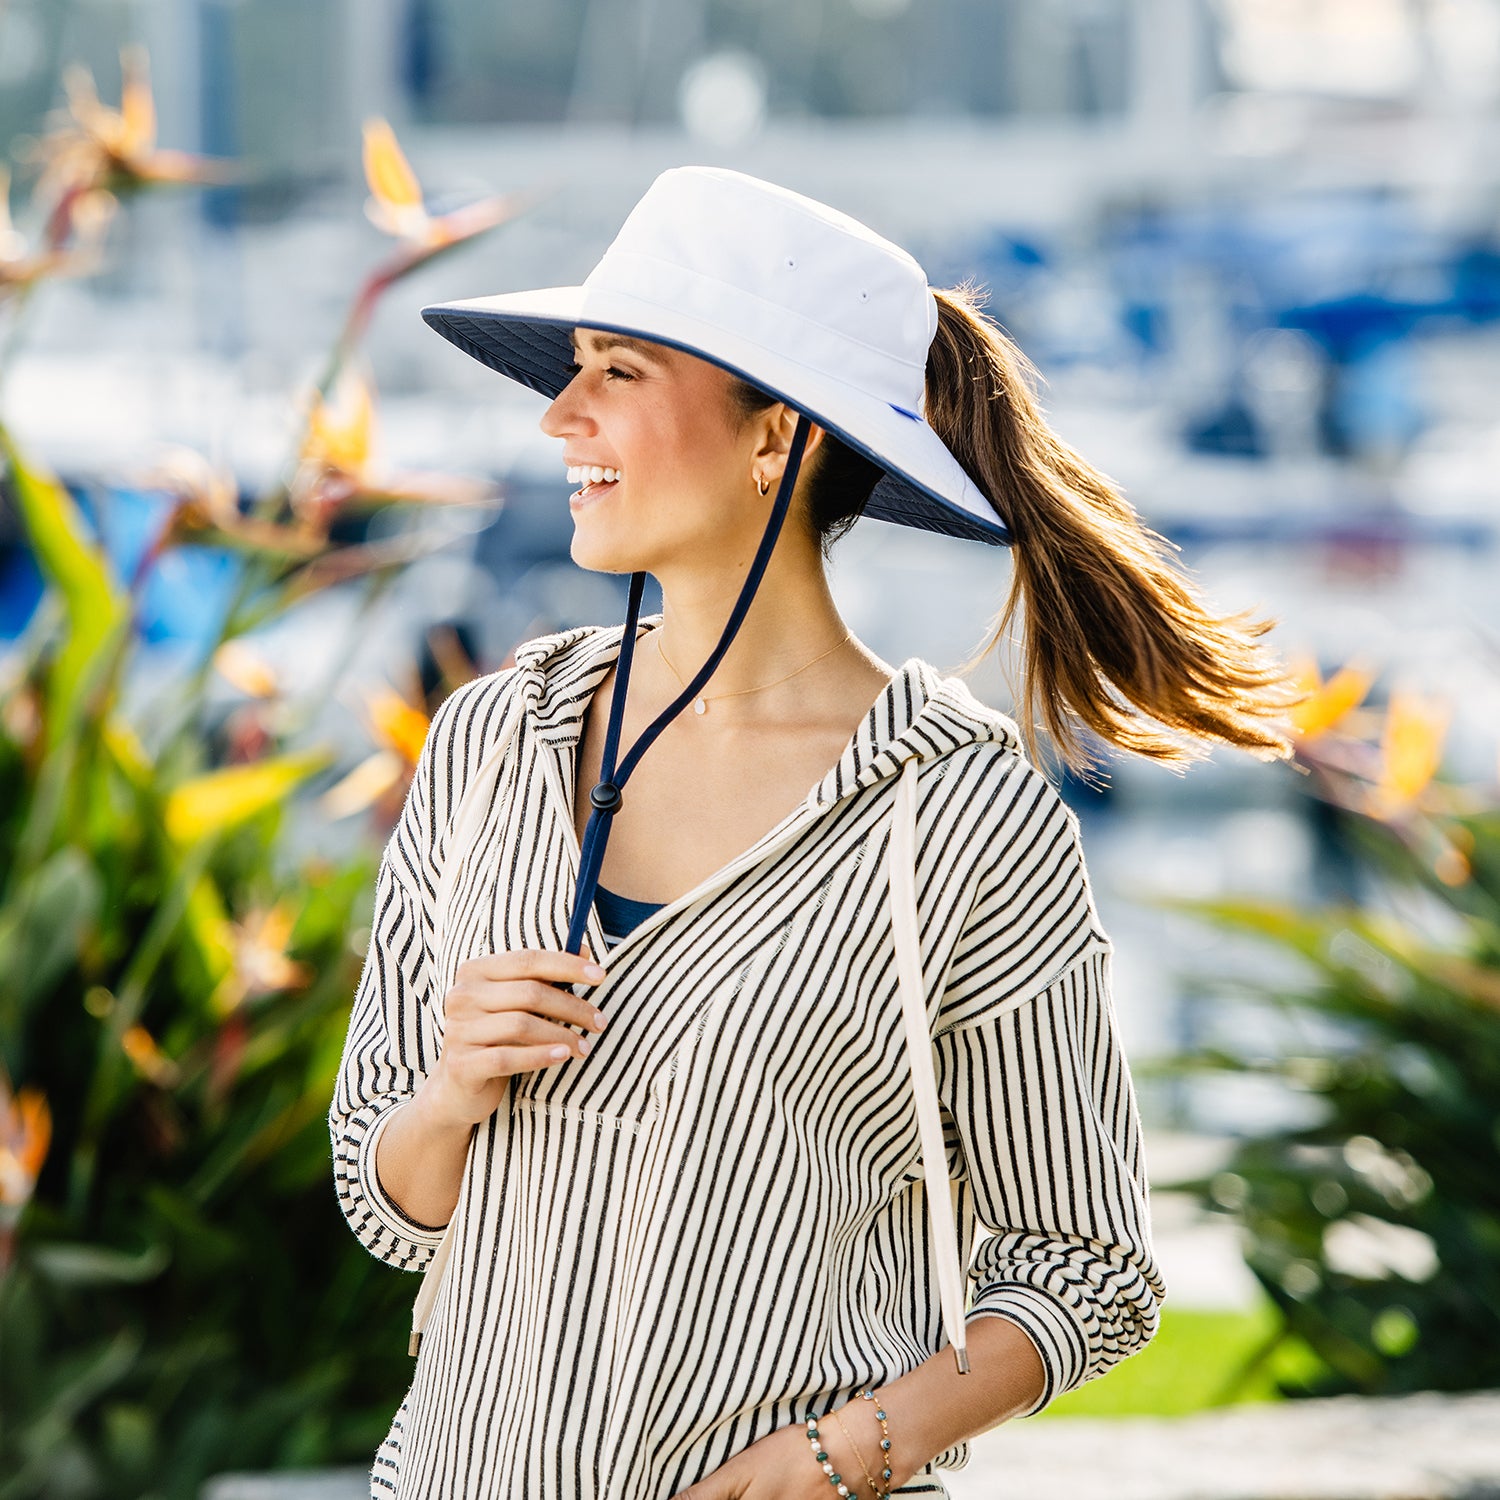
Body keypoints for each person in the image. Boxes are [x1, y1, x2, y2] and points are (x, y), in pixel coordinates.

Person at [329, 166, 1294, 1500]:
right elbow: (384, 1203)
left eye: (618, 371)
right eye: (573, 368)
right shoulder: (491, 744)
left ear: (776, 436)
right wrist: (450, 1095)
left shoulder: (956, 813)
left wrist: (851, 1453)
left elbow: (1087, 1268)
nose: (559, 413)